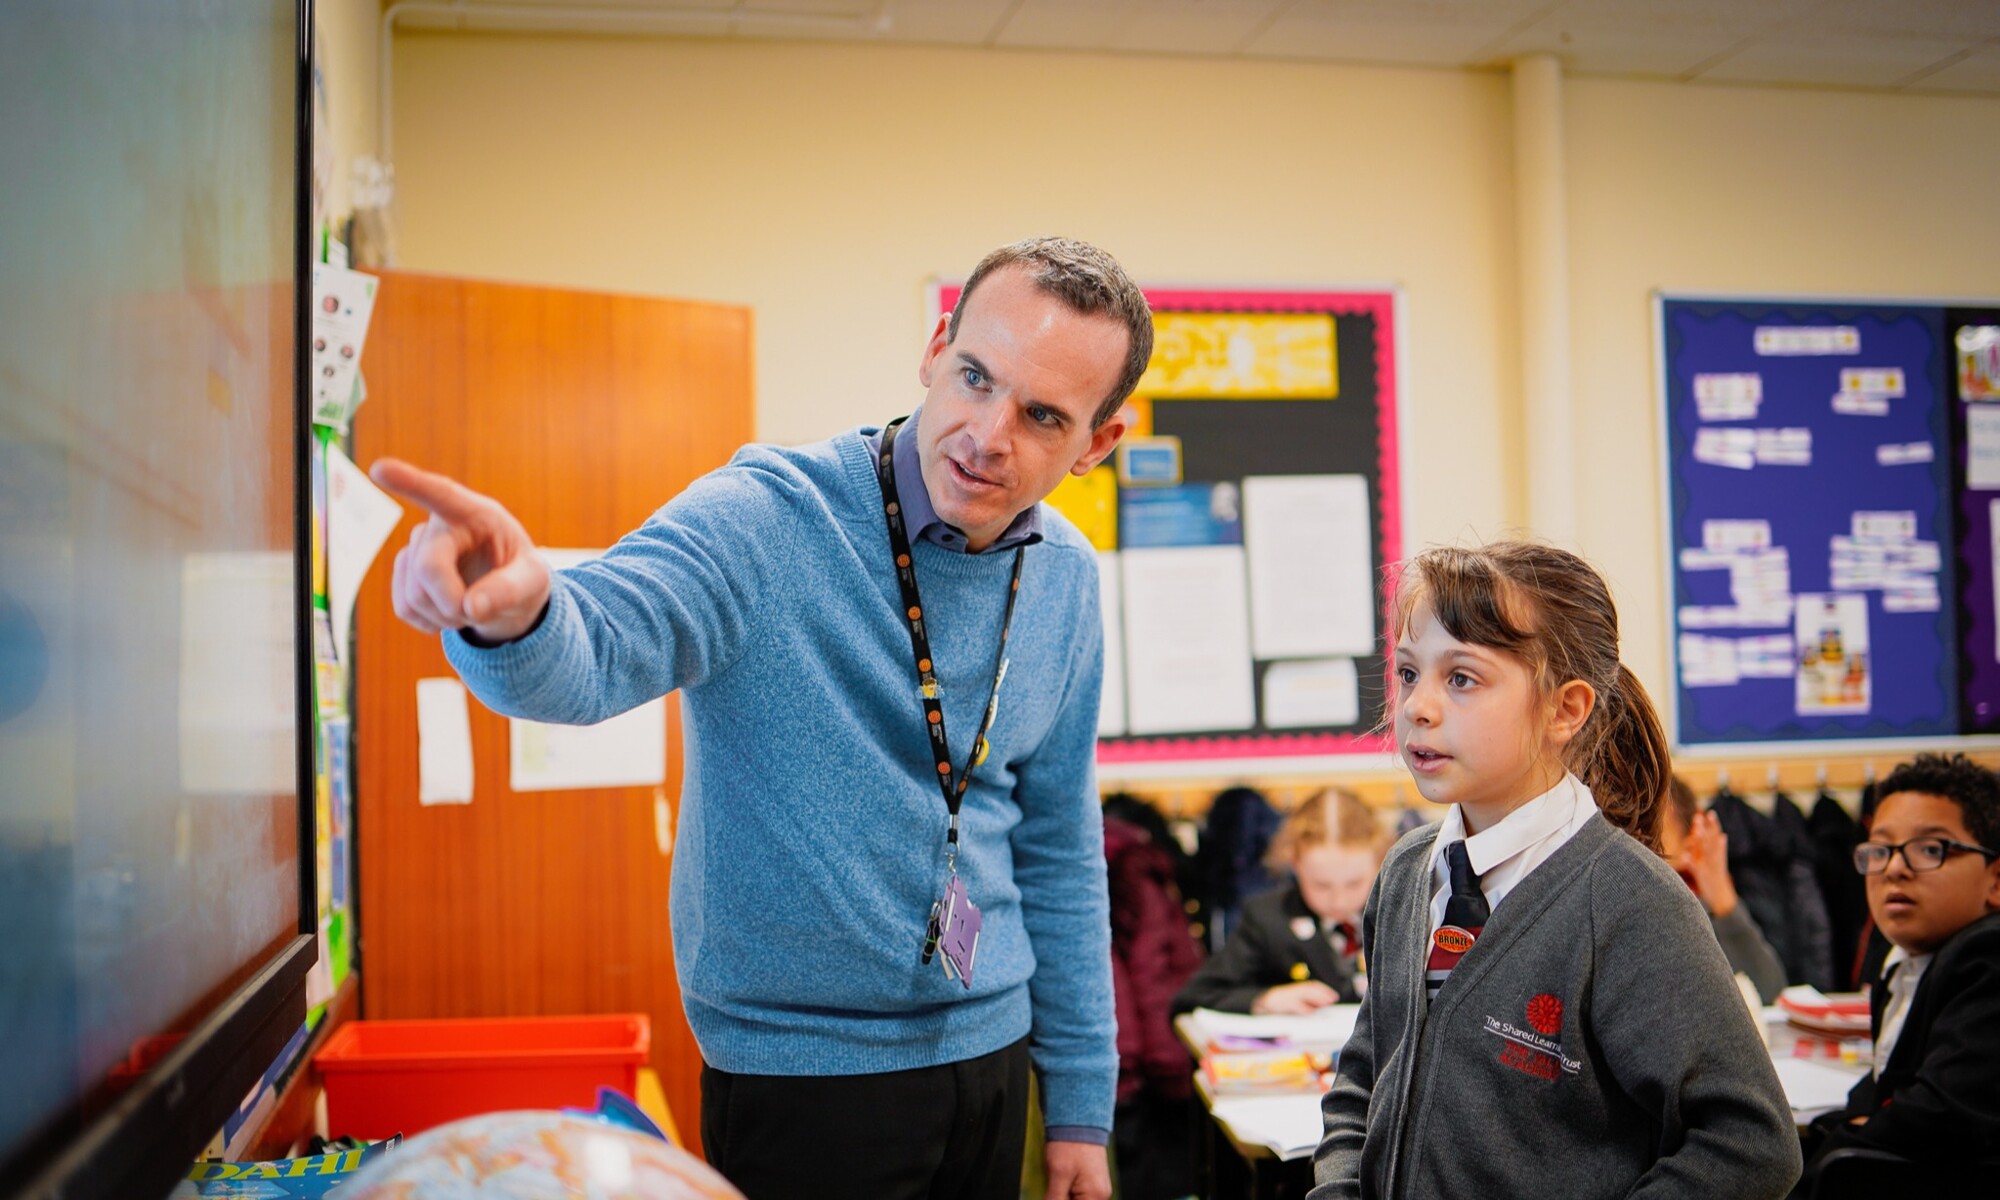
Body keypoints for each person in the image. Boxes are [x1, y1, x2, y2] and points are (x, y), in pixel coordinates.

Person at [369, 237, 1153, 1200]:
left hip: (996, 1056)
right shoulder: (768, 518)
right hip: (801, 1077)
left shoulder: (1064, 579)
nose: (988, 434)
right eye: (975, 377)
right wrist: (519, 615)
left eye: (1042, 416)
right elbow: (592, 655)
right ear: (934, 349)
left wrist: (1080, 1103)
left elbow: (1061, 851)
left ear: (1097, 444)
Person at [1310, 541, 1800, 1199]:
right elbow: (1365, 1074)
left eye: (1461, 678)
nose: (1417, 707)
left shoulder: (1630, 905)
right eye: (1406, 673)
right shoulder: (1405, 871)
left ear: (1564, 710)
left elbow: (1751, 1145)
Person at [1798, 752, 2000, 1191]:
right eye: (1880, 850)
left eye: (1930, 849)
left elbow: (1941, 1115)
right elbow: (1879, 1090)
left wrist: (1834, 1147)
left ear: (1996, 881)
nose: (1894, 869)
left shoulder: (1986, 955)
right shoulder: (1903, 963)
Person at [1173, 789, 1390, 1015]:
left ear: (1379, 862)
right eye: (1321, 885)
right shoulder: (1268, 917)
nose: (1339, 900)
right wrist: (1265, 999)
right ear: (1295, 864)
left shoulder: (1403, 912)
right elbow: (1195, 995)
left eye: (1354, 884)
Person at [1662, 775, 1788, 1004]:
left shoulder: (1702, 904)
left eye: (1648, 839)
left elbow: (1769, 991)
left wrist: (1722, 898)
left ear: (1690, 843)